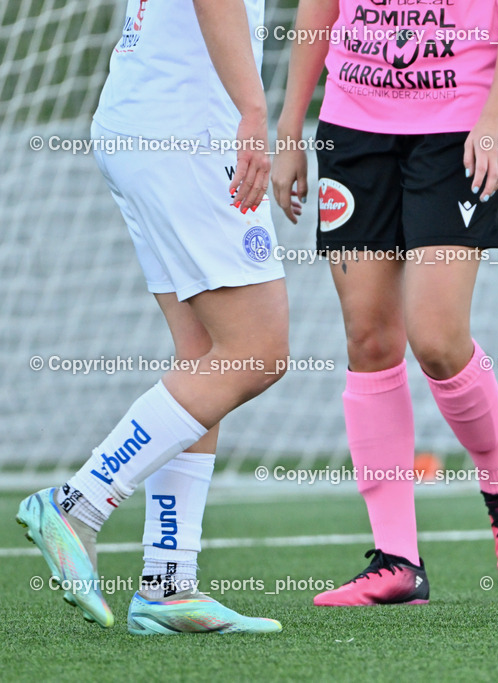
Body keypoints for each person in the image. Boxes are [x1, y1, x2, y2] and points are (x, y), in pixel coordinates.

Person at [16, 0, 287, 634]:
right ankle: (77, 503)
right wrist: (253, 112)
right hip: (188, 133)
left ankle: (169, 584)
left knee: (204, 358)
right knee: (256, 352)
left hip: (145, 121)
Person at [271, 0, 498, 605]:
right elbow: (317, 12)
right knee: (369, 340)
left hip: (457, 128)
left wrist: (497, 117)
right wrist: (289, 132)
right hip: (352, 127)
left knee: (437, 340)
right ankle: (397, 559)